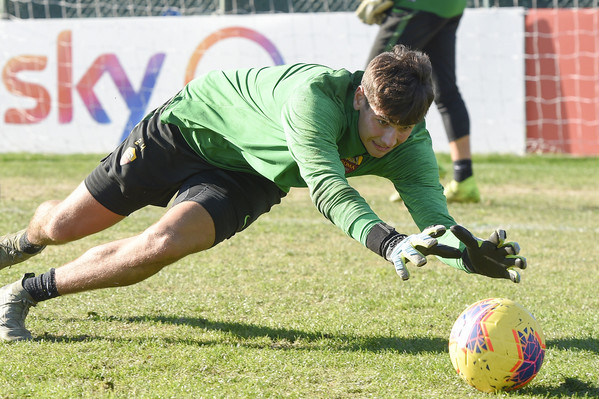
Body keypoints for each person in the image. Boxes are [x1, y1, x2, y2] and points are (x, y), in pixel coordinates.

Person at [0, 45, 525, 342]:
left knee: (164, 243)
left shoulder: (409, 141)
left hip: (253, 176)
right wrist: (388, 242)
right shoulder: (314, 100)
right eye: (384, 123)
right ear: (361, 97)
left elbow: (434, 222)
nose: (390, 141)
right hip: (189, 129)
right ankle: (21, 243)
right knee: (63, 225)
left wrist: (463, 251)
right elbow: (326, 186)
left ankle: (24, 292)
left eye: (404, 130)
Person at [356, 0, 480, 203]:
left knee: (373, 82)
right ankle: (464, 178)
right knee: (446, 91)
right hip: (451, 7)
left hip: (416, 5)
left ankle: (418, 166)